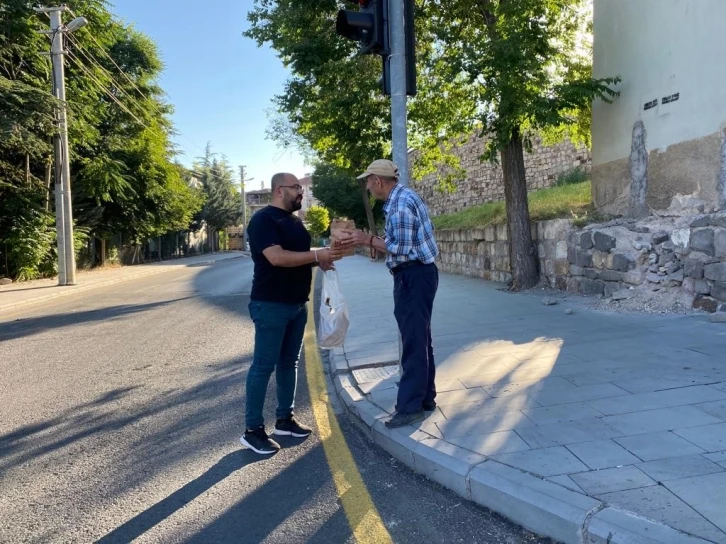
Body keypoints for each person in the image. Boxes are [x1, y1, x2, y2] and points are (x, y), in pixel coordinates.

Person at [241, 172, 340, 455]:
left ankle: (285, 420)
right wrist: (316, 256)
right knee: (263, 366)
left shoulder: (294, 221)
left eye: (300, 187)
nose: (300, 191)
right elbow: (277, 257)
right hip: (270, 304)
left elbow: (298, 255)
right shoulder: (263, 220)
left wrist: (317, 261)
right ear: (279, 191)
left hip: (297, 304)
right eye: (296, 187)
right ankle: (252, 430)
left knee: (289, 364)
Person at [339, 159, 439, 429]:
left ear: (378, 181)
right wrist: (376, 243)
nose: (369, 187)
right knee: (420, 337)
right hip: (417, 275)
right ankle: (425, 398)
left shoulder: (400, 205)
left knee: (413, 341)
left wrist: (366, 239)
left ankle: (410, 407)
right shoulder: (400, 199)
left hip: (413, 276)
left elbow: (402, 248)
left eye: (369, 182)